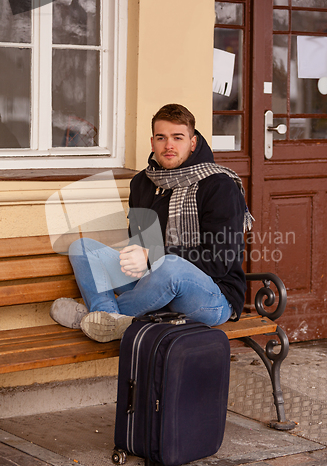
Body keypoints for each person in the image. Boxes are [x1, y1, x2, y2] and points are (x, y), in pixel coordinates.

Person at [50, 104, 252, 342]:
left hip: (212, 295)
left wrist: (151, 256)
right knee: (82, 248)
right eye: (161, 137)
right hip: (151, 282)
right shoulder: (141, 183)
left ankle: (96, 316)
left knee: (170, 266)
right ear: (152, 142)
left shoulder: (219, 185)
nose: (169, 145)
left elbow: (219, 262)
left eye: (178, 137)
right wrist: (137, 257)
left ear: (193, 142)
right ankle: (110, 320)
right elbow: (139, 243)